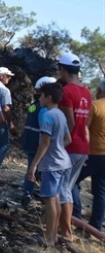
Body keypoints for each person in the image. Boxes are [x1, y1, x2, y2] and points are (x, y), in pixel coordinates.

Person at [27, 83, 72, 247]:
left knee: (49, 200)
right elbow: (68, 139)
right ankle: (53, 235)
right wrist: (58, 148)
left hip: (52, 165)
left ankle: (49, 238)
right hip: (64, 162)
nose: (39, 98)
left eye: (41, 95)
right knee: (57, 198)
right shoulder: (60, 114)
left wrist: (33, 165)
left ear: (48, 97)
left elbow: (44, 142)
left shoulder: (47, 116)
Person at [56, 53, 91, 242]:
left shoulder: (67, 92)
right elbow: (84, 123)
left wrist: (58, 145)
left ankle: (66, 233)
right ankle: (63, 229)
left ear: (62, 70)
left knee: (63, 189)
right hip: (83, 147)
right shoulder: (86, 92)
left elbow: (69, 123)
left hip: (70, 147)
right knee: (67, 187)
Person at [73, 79, 105, 231]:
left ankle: (75, 216)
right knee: (100, 191)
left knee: (70, 181)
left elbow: (84, 129)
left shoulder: (95, 106)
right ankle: (96, 226)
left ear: (100, 90)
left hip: (92, 154)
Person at [20, 76, 57, 206]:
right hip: (37, 142)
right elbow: (44, 128)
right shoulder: (44, 109)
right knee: (34, 168)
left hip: (29, 140)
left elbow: (30, 117)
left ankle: (28, 192)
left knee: (32, 167)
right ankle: (29, 193)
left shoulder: (33, 106)